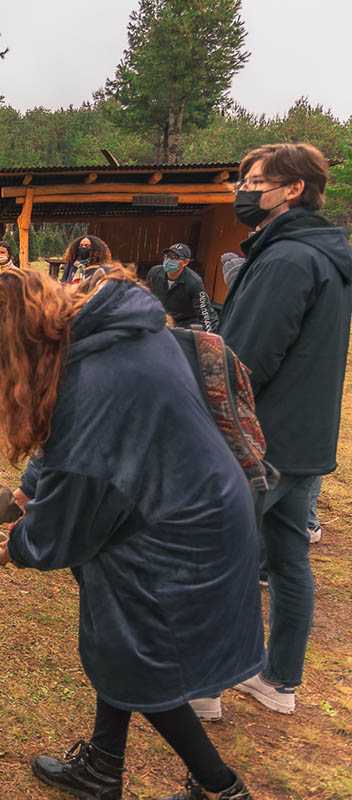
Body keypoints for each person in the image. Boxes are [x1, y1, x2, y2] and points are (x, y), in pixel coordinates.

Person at [0, 268, 264, 800]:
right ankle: (103, 765)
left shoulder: (94, 383)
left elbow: (68, 518)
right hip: (185, 500)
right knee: (120, 643)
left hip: (175, 528)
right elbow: (65, 445)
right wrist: (29, 490)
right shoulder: (110, 333)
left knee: (144, 664)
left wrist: (17, 543)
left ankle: (220, 788)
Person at [217, 142, 352, 716]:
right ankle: (279, 680)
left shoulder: (286, 259)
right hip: (305, 445)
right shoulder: (324, 255)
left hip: (259, 444)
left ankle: (204, 691)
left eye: (254, 180)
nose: (243, 190)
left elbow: (244, 361)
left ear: (293, 189)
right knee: (289, 559)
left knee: (223, 558)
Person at [145, 243, 216, 331]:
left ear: (185, 262)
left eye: (174, 258)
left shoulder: (194, 282)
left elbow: (206, 314)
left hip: (184, 324)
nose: (169, 260)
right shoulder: (154, 272)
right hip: (160, 319)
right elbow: (145, 298)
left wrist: (211, 335)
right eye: (167, 256)